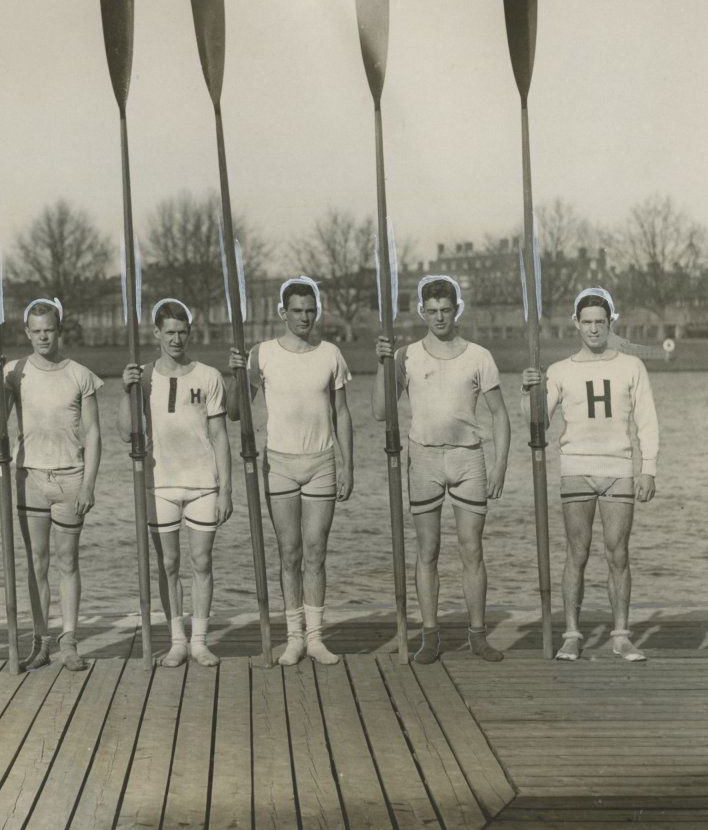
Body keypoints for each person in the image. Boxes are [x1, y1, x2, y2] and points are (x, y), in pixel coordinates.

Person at [373, 276, 510, 664]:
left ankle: (478, 635)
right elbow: (381, 412)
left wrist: (500, 465)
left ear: (457, 310)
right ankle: (430, 634)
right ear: (421, 312)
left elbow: (500, 415)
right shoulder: (406, 355)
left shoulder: (478, 356)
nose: (438, 317)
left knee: (472, 549)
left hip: (468, 458)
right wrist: (382, 364)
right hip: (425, 458)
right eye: (431, 311)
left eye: (445, 310)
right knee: (427, 550)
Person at [522, 287, 658, 662]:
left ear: (610, 322)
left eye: (601, 322)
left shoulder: (631, 366)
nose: (594, 329)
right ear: (576, 324)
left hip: (618, 469)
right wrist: (529, 390)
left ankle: (620, 636)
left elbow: (647, 422)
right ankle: (571, 634)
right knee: (576, 553)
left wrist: (649, 469)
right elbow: (536, 423)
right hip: (576, 469)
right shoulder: (561, 370)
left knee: (618, 554)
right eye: (587, 323)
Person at [229, 276, 354, 666]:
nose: (304, 317)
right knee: (289, 552)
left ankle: (316, 639)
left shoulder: (331, 353)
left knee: (316, 551)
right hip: (279, 463)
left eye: (310, 310)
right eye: (296, 311)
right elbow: (235, 411)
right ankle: (294, 638)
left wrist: (348, 463)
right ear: (282, 313)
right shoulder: (261, 354)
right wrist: (236, 374)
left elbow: (342, 413)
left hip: (321, 463)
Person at [0, 297, 101, 672]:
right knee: (37, 561)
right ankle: (41, 639)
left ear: (59, 330)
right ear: (27, 333)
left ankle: (69, 640)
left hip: (70, 476)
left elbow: (95, 434)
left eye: (49, 330)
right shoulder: (15, 371)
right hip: (30, 475)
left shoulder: (79, 374)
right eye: (36, 332)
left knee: (68, 561)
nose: (43, 337)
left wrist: (88, 485)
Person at [119, 299, 232, 667]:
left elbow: (220, 436)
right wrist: (127, 390)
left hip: (202, 483)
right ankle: (177, 640)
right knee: (169, 563)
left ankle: (199, 641)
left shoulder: (208, 377)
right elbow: (125, 433)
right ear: (156, 333)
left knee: (201, 561)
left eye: (183, 332)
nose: (177, 339)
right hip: (161, 483)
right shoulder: (144, 377)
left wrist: (226, 489)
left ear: (190, 332)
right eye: (169, 332)